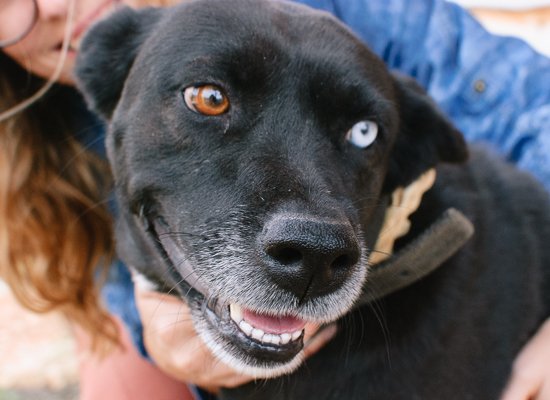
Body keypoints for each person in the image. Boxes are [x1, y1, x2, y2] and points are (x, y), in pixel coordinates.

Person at [0, 0, 548, 399]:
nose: (54, 6)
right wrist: (151, 327)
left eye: (360, 132)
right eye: (210, 100)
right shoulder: (60, 117)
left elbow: (530, 99)